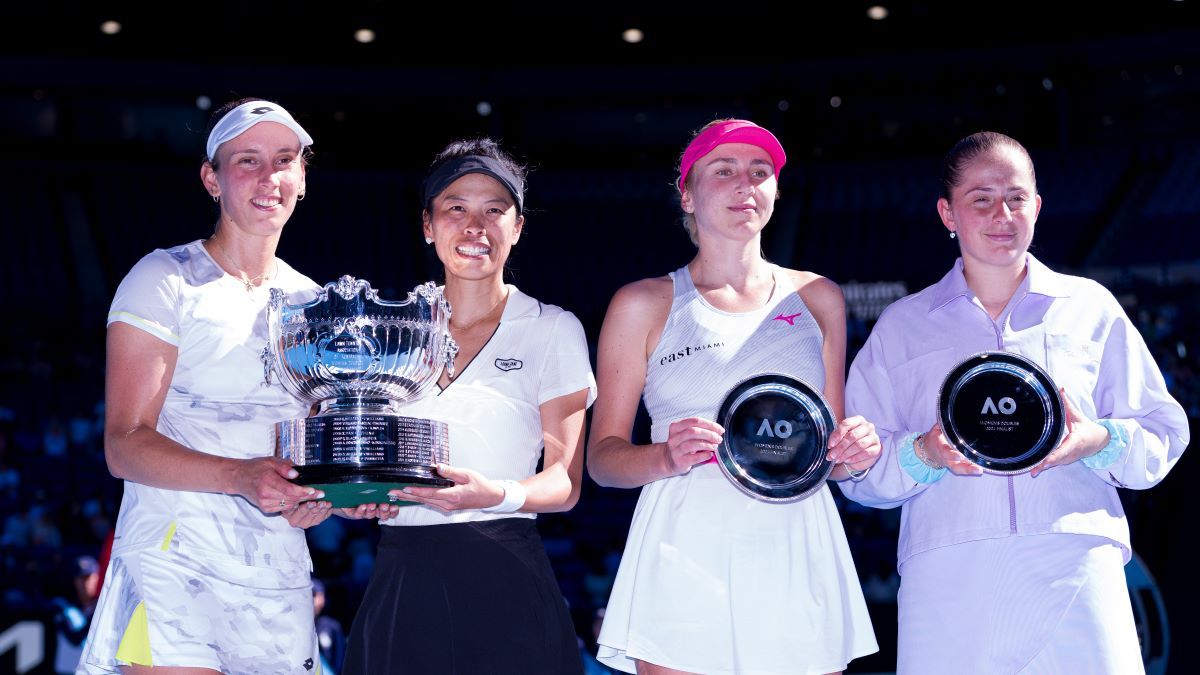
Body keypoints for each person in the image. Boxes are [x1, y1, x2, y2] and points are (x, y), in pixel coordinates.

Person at [839, 131, 1190, 674]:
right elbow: (858, 469)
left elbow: (1163, 433)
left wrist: (1094, 440)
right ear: (947, 213)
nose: (1002, 213)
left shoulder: (1090, 307)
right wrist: (926, 452)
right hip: (949, 577)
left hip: (1074, 565)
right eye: (980, 199)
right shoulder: (902, 326)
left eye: (1016, 197)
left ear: (1038, 205)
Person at [79, 98, 394, 674]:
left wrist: (331, 496)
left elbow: (307, 458)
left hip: (275, 572)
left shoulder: (317, 306)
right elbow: (124, 444)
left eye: (283, 160)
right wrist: (240, 476)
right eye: (246, 160)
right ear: (211, 178)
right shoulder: (163, 278)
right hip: (173, 559)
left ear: (302, 177)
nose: (268, 177)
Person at [588, 119, 881, 675]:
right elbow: (603, 459)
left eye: (760, 171)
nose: (745, 184)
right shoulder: (643, 302)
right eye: (723, 171)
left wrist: (854, 450)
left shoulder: (819, 298)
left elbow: (832, 457)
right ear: (688, 193)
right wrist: (664, 456)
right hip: (683, 545)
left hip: (797, 542)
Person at [341, 138, 595, 675]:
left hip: (503, 572)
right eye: (456, 208)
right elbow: (364, 462)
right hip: (401, 575)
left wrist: (494, 495)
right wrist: (357, 498)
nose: (474, 226)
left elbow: (564, 484)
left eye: (494, 211)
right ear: (428, 225)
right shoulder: (391, 331)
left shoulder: (552, 329)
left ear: (517, 228)